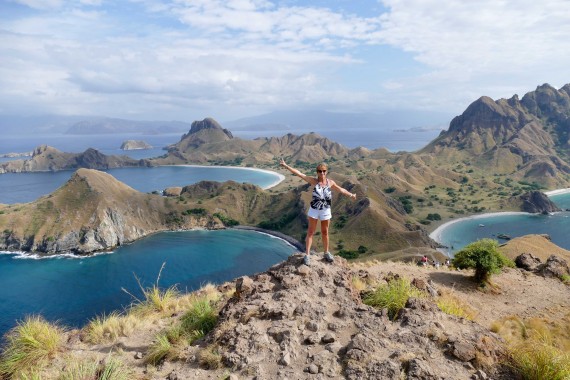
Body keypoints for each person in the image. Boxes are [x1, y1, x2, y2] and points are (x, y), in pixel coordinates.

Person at [280, 159, 357, 265]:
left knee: (325, 233)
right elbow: (299, 174)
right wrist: (286, 166)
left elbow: (341, 189)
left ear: (327, 171)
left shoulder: (330, 183)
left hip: (325, 211)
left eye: (324, 171)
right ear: (317, 172)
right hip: (314, 210)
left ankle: (326, 252)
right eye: (320, 171)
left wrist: (351, 195)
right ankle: (307, 255)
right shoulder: (314, 181)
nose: (322, 173)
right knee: (310, 232)